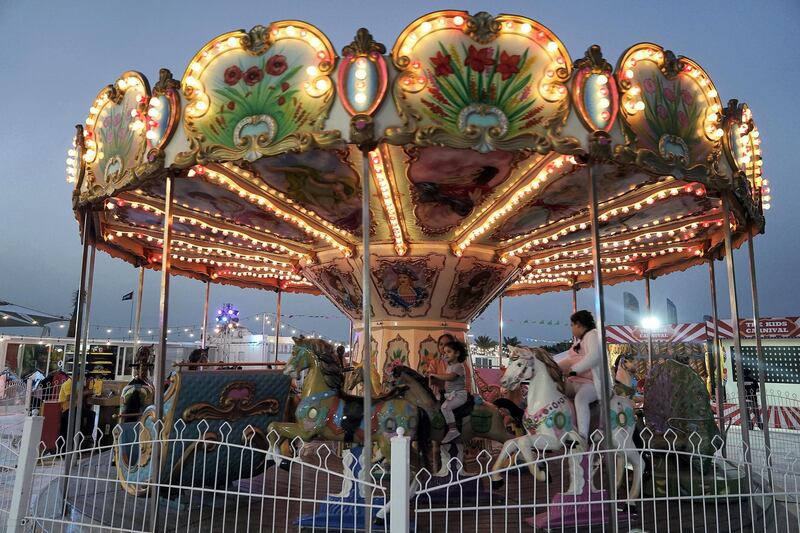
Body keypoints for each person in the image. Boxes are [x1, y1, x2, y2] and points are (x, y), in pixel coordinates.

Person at [554, 310, 613, 441]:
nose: (571, 328)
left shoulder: (593, 335)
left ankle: (583, 436)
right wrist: (552, 367)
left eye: (572, 325)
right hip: (577, 381)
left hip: (593, 382)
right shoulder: (579, 342)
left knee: (581, 399)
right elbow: (570, 359)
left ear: (579, 324)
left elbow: (594, 356)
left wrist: (574, 370)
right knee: (555, 391)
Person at [429, 340, 469, 444]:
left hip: (459, 395)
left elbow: (451, 378)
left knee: (445, 407)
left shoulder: (459, 366)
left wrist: (435, 375)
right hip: (449, 394)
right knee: (433, 401)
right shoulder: (450, 366)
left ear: (457, 353)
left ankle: (453, 429)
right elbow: (446, 382)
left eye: (449, 352)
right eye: (444, 352)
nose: (445, 354)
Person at [58, 376, 94, 445]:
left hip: (74, 408)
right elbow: (69, 398)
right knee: (91, 414)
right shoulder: (68, 384)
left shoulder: (75, 384)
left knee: (87, 415)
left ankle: (84, 437)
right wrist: (82, 393)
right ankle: (87, 435)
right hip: (67, 409)